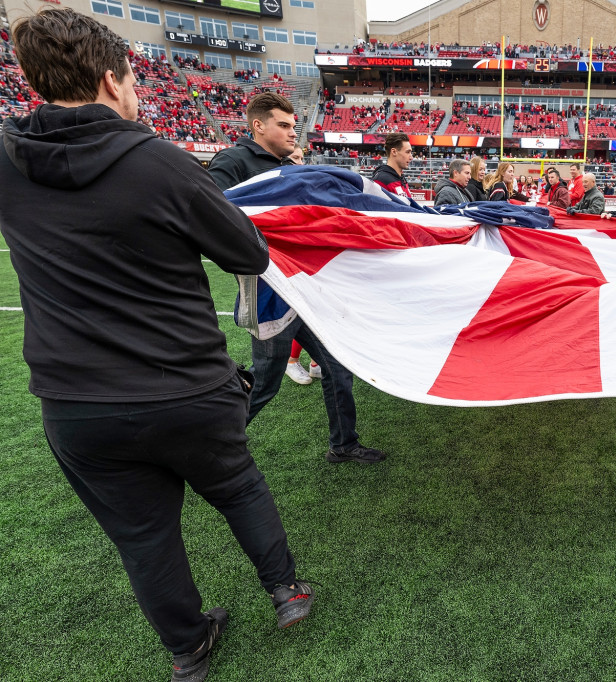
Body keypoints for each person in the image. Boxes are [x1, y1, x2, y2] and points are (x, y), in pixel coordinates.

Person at [0, 9, 314, 681]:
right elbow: (247, 250)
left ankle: (188, 649)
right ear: (113, 81)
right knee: (237, 485)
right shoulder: (160, 161)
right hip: (185, 385)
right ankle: (285, 591)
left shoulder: (7, 159)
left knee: (144, 538)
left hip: (77, 400)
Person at [210, 94, 387, 466]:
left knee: (336, 366)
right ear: (258, 126)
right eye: (285, 126)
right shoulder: (232, 162)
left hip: (301, 292)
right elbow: (210, 218)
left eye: (294, 125)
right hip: (269, 295)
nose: (294, 133)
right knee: (265, 381)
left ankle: (344, 444)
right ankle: (210, 448)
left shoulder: (283, 164)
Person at [280, 145, 322, 385]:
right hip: (289, 261)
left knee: (316, 311)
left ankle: (315, 362)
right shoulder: (280, 185)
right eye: (295, 157)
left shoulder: (302, 185)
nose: (301, 162)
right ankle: (291, 361)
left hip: (307, 256)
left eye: (302, 158)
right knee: (299, 313)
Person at [370, 132, 413, 198]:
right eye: (407, 152)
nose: (411, 157)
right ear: (394, 152)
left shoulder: (401, 178)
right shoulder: (380, 180)